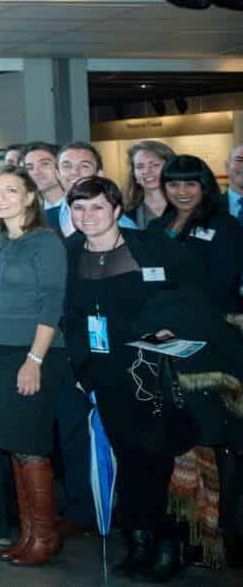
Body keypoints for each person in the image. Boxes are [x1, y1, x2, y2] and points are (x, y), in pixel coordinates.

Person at [63, 176, 202, 580]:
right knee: (126, 457)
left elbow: (191, 292)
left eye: (97, 207)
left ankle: (166, 543)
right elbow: (68, 316)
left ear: (117, 210)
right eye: (79, 208)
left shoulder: (150, 247)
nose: (87, 216)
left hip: (151, 371)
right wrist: (81, 369)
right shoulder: (70, 252)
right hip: (103, 373)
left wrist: (169, 327)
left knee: (154, 458)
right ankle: (138, 541)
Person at [0, 165, 71, 566]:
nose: (0, 198)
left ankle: (45, 537)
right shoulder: (3, 241)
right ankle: (28, 533)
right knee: (15, 445)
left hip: (31, 353)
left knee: (30, 445)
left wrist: (34, 361)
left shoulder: (44, 242)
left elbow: (52, 306)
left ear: (30, 196)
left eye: (9, 190)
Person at [153, 154, 241, 308]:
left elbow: (222, 285)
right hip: (161, 315)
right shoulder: (156, 226)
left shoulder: (225, 226)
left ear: (204, 187)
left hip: (209, 318)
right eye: (173, 184)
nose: (182, 192)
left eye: (190, 184)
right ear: (164, 187)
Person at [126, 138, 176, 229]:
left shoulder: (191, 208)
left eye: (155, 165)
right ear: (134, 175)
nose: (147, 171)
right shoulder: (125, 215)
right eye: (140, 166)